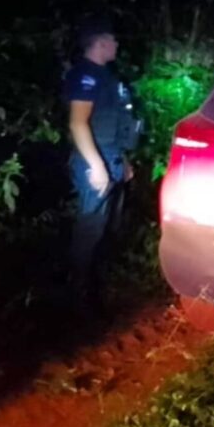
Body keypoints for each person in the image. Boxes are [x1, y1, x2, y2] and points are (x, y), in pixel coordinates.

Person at [63, 18, 140, 304]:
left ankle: (97, 284)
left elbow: (116, 122)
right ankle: (77, 292)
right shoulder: (86, 75)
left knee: (108, 225)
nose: (117, 45)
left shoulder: (106, 76)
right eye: (113, 40)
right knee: (90, 224)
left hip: (112, 158)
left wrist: (123, 160)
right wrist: (96, 166)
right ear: (101, 43)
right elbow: (77, 123)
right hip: (94, 159)